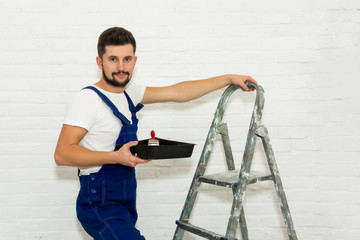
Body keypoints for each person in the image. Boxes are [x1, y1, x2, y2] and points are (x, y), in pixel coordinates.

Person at [54, 27, 257, 240]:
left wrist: (227, 79)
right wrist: (115, 156)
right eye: (113, 59)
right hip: (98, 201)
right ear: (99, 62)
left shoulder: (130, 93)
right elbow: (62, 154)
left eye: (127, 59)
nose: (121, 67)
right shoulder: (87, 100)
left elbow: (177, 92)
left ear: (135, 60)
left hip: (124, 196)